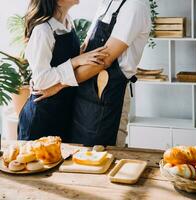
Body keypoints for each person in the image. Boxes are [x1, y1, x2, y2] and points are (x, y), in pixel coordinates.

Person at [32, 0, 151, 146]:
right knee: (79, 157)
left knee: (103, 156)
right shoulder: (106, 3)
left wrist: (58, 85)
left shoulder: (134, 6)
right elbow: (86, 49)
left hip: (109, 96)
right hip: (83, 94)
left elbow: (103, 60)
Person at [18, 0, 108, 142]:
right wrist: (76, 61)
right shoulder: (43, 30)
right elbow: (41, 81)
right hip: (41, 117)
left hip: (62, 112)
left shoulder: (67, 22)